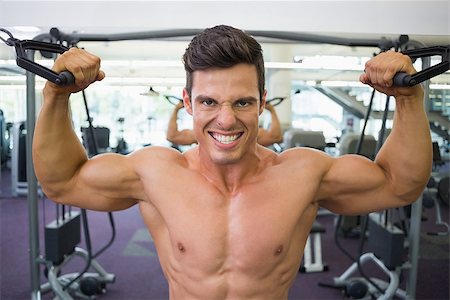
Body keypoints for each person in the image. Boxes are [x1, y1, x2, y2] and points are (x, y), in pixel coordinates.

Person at [33, 25, 432, 299]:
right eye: (208, 101)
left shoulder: (304, 173)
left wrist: (409, 99)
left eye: (242, 101)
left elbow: (401, 183)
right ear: (188, 102)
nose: (226, 119)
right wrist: (55, 95)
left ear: (260, 101)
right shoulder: (154, 173)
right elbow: (61, 182)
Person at [166, 100, 283, 147]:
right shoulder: (199, 135)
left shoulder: (252, 135)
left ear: (260, 106)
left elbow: (276, 137)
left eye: (242, 103)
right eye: (209, 102)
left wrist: (272, 111)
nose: (226, 122)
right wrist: (176, 110)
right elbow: (172, 136)